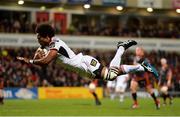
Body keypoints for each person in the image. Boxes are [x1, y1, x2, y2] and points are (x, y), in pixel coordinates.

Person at [17, 23, 159, 82]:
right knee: (112, 74)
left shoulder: (55, 44)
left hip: (85, 62)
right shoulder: (48, 46)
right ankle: (138, 63)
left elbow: (46, 61)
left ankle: (122, 49)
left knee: (111, 76)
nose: (38, 40)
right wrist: (36, 58)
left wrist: (30, 61)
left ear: (47, 36)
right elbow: (43, 63)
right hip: (82, 70)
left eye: (39, 37)